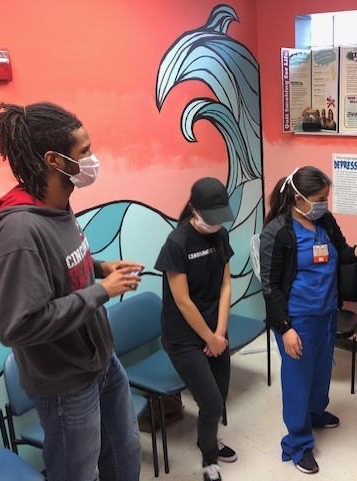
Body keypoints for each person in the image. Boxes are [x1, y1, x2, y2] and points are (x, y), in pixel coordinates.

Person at [0, 102, 143, 481]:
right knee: (78, 472)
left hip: (101, 361)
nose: (93, 159)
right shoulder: (19, 233)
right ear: (55, 160)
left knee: (125, 451)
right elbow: (17, 325)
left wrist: (98, 267)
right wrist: (100, 292)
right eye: (85, 151)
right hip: (64, 384)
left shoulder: (58, 204)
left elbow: (60, 265)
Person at [259, 166, 357, 474]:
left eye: (326, 198)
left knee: (320, 374)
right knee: (298, 381)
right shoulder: (278, 233)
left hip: (327, 312)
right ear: (297, 197)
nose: (324, 204)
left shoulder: (323, 220)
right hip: (297, 319)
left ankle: (316, 414)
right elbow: (270, 287)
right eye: (319, 198)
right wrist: (286, 329)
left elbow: (340, 251)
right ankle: (298, 443)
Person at [154, 177, 238, 481]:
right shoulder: (177, 243)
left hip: (216, 329)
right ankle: (208, 461)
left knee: (221, 393)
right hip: (184, 338)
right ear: (195, 209)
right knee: (211, 401)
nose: (217, 224)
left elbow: (226, 284)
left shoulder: (220, 236)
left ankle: (207, 437)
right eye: (211, 217)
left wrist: (220, 333)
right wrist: (209, 338)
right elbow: (183, 301)